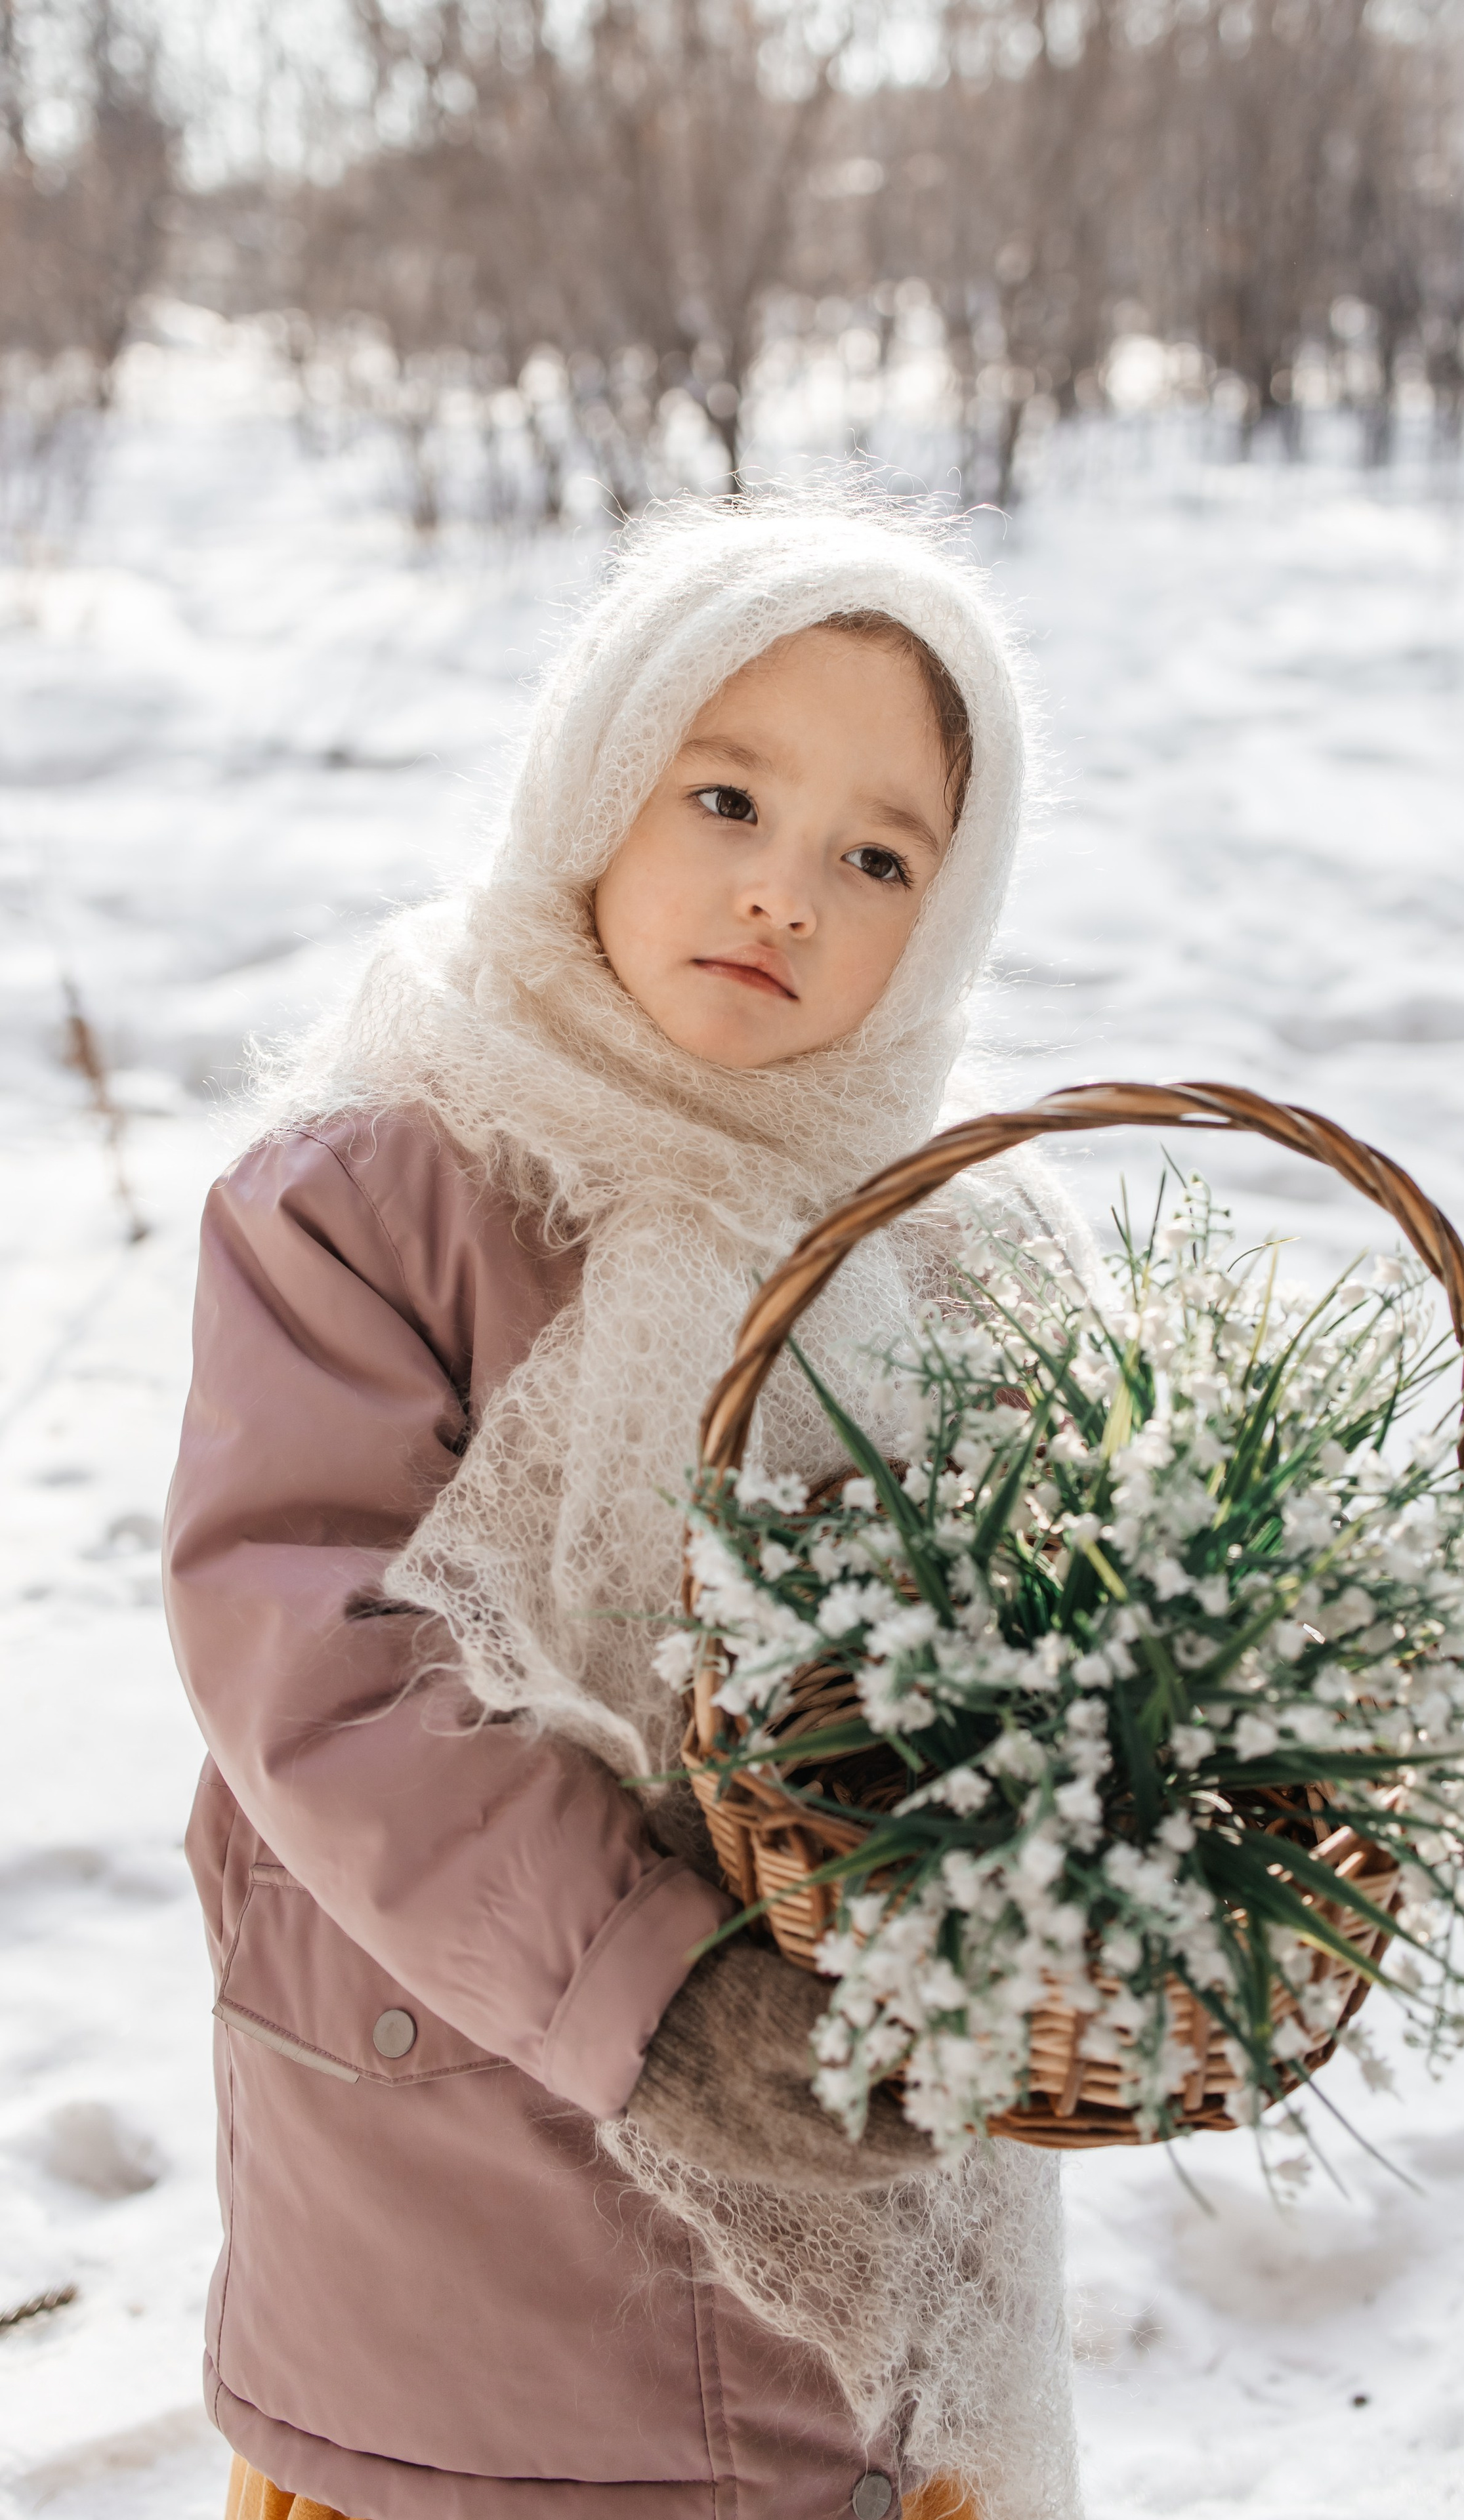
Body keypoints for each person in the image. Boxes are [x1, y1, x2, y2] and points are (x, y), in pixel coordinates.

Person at [163, 493, 1083, 2520]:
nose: (787, 895)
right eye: (727, 797)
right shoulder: (383, 1193)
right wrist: (655, 1991)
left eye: (876, 855)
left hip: (836, 2275)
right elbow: (318, 1659)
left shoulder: (940, 1246)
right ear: (599, 783)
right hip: (453, 2252)